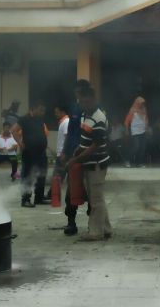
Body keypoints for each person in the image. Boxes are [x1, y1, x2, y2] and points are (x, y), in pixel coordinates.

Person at [66, 86, 112, 241]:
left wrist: (76, 159)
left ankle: (95, 232)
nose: (82, 105)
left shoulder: (99, 117)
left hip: (96, 164)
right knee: (97, 198)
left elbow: (95, 145)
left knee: (96, 200)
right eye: (80, 102)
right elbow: (86, 140)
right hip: (89, 162)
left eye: (85, 102)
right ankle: (105, 229)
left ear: (92, 99)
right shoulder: (86, 115)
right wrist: (77, 150)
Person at [62, 79, 92, 236]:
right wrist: (65, 152)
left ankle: (93, 221)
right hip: (73, 155)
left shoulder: (94, 109)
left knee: (91, 190)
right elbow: (70, 131)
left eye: (79, 92)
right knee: (71, 190)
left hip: (89, 156)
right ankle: (71, 222)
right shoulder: (74, 108)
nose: (77, 94)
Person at [12, 101, 49, 208]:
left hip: (41, 152)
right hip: (29, 152)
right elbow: (14, 130)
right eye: (41, 110)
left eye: (43, 111)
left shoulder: (40, 119)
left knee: (42, 174)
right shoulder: (24, 119)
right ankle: (26, 199)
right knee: (28, 175)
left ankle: (39, 198)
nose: (42, 112)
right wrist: (20, 143)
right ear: (34, 109)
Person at [124, 96, 148, 168]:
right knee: (136, 147)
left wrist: (147, 127)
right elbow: (126, 122)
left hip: (143, 131)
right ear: (137, 103)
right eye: (141, 103)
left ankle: (139, 163)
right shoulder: (132, 111)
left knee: (142, 148)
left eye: (143, 103)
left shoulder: (144, 110)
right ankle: (127, 160)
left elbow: (146, 120)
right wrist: (127, 131)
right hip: (135, 132)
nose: (142, 104)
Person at [53, 104, 70, 181]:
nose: (55, 114)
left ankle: (53, 193)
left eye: (57, 112)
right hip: (61, 153)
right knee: (59, 177)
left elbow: (67, 137)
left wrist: (63, 152)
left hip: (62, 154)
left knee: (56, 178)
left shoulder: (66, 122)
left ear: (63, 112)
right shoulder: (62, 122)